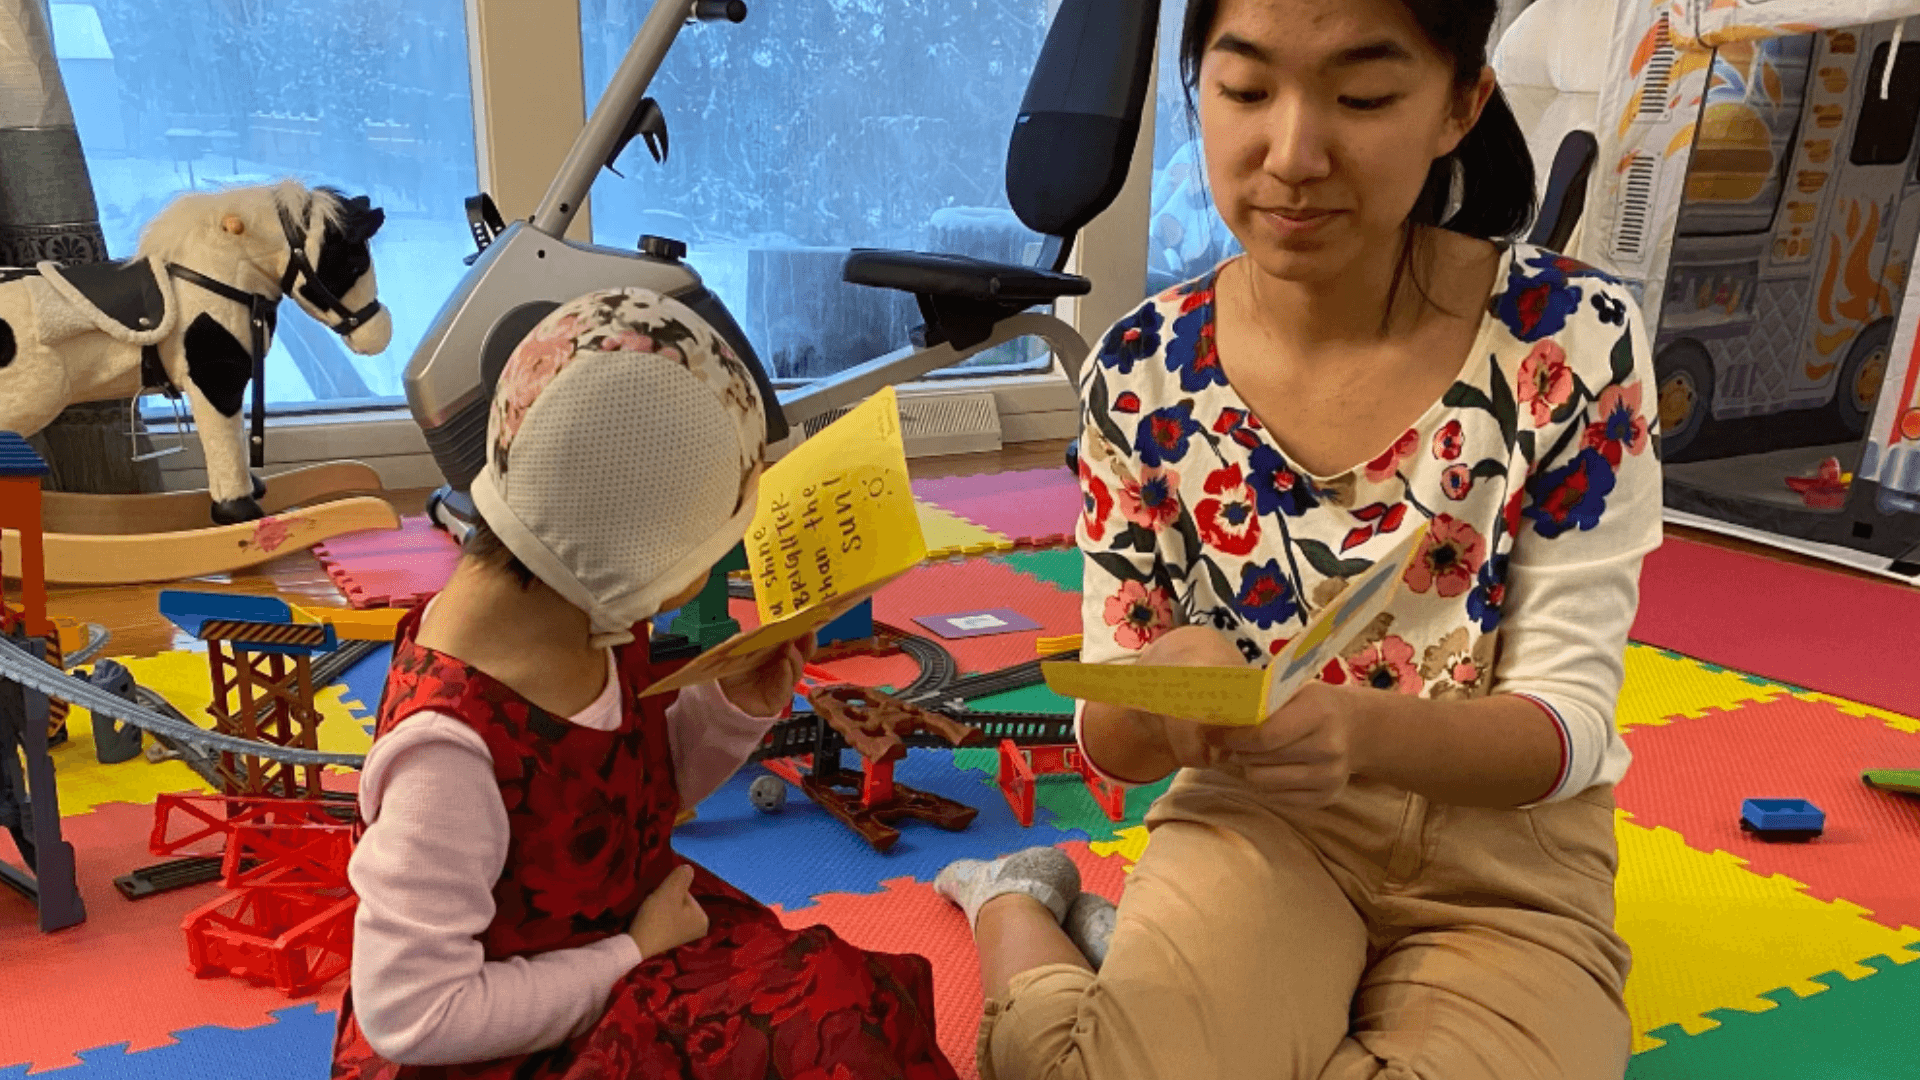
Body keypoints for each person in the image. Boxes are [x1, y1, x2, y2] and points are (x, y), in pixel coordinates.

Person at [934, 0, 1662, 1077]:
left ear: (1463, 104)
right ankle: (1015, 908)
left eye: (1363, 96)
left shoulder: (1569, 338)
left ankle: (1175, 983)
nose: (1293, 154)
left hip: (1505, 853)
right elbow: (1109, 744)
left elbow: (1567, 728)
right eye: (1244, 90)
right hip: (1260, 821)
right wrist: (1151, 687)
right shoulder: (1143, 371)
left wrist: (1355, 731)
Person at [330, 288, 957, 1080]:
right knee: (814, 1032)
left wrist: (733, 706)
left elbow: (623, 797)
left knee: (842, 996)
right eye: (699, 551)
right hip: (507, 1034)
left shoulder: (585, 607)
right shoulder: (444, 752)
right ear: (626, 538)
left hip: (625, 928)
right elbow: (411, 1016)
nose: (698, 578)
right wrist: (631, 952)